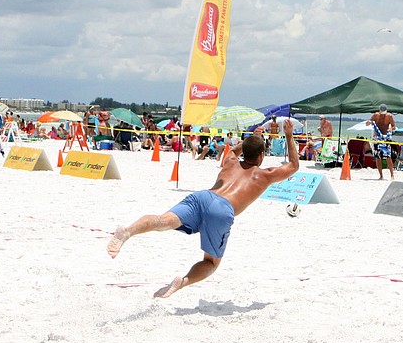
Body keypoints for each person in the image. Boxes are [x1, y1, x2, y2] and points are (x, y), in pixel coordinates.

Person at [107, 119, 300, 298]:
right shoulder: (264, 175)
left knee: (163, 221)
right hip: (222, 210)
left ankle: (128, 231)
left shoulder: (230, 162)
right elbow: (293, 165)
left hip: (203, 197)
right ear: (261, 155)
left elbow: (233, 150)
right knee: (211, 262)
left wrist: (252, 139)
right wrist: (289, 135)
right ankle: (182, 282)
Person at [366, 104, 396, 180]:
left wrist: (391, 129)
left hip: (386, 137)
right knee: (378, 157)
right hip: (377, 138)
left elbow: (394, 126)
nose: (383, 115)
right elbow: (368, 122)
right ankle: (381, 175)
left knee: (388, 157)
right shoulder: (376, 115)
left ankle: (392, 175)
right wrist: (368, 122)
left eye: (384, 113)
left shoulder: (389, 116)